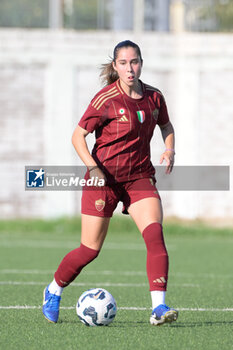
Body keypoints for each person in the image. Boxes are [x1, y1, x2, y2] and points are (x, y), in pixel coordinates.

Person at [42, 40, 178, 326]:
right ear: (115, 66)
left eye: (135, 61)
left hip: (139, 177)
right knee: (89, 250)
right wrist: (92, 167)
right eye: (124, 63)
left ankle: (159, 308)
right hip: (103, 180)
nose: (131, 68)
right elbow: (77, 137)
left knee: (155, 237)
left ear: (141, 63)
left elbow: (166, 125)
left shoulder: (154, 97)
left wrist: (169, 148)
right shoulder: (105, 99)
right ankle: (54, 289)